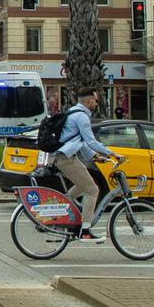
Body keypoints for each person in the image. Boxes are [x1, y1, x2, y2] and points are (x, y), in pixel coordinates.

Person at [48, 87, 119, 242]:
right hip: (66, 158)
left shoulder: (74, 112)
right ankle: (85, 231)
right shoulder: (81, 116)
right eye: (95, 100)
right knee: (93, 190)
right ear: (88, 101)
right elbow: (90, 141)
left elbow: (80, 142)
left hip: (62, 156)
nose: (96, 103)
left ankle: (59, 219)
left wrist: (95, 157)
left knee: (82, 186)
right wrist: (111, 153)